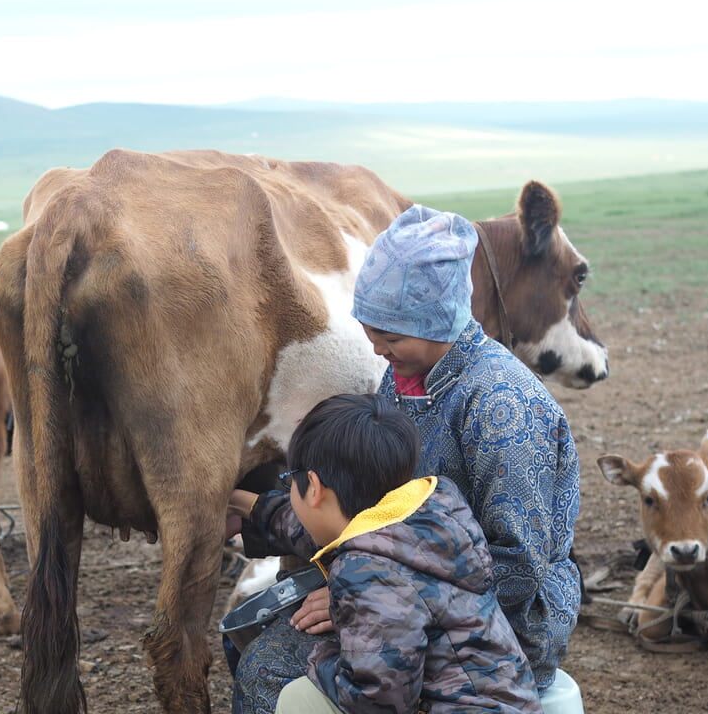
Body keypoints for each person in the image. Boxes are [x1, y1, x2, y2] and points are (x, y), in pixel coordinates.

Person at [231, 204, 581, 712]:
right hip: (405, 588)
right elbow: (370, 513)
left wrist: (366, 598)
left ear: (439, 319)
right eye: (371, 332)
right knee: (260, 643)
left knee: (268, 672)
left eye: (390, 336)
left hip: (499, 627)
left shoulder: (504, 406)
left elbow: (519, 565)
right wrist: (251, 513)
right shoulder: (407, 376)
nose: (377, 351)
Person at [228, 392, 542, 714]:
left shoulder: (367, 571)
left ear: (314, 485)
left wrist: (320, 657)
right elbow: (310, 528)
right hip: (506, 701)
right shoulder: (427, 517)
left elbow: (377, 700)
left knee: (296, 694)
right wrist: (246, 505)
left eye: (288, 481)